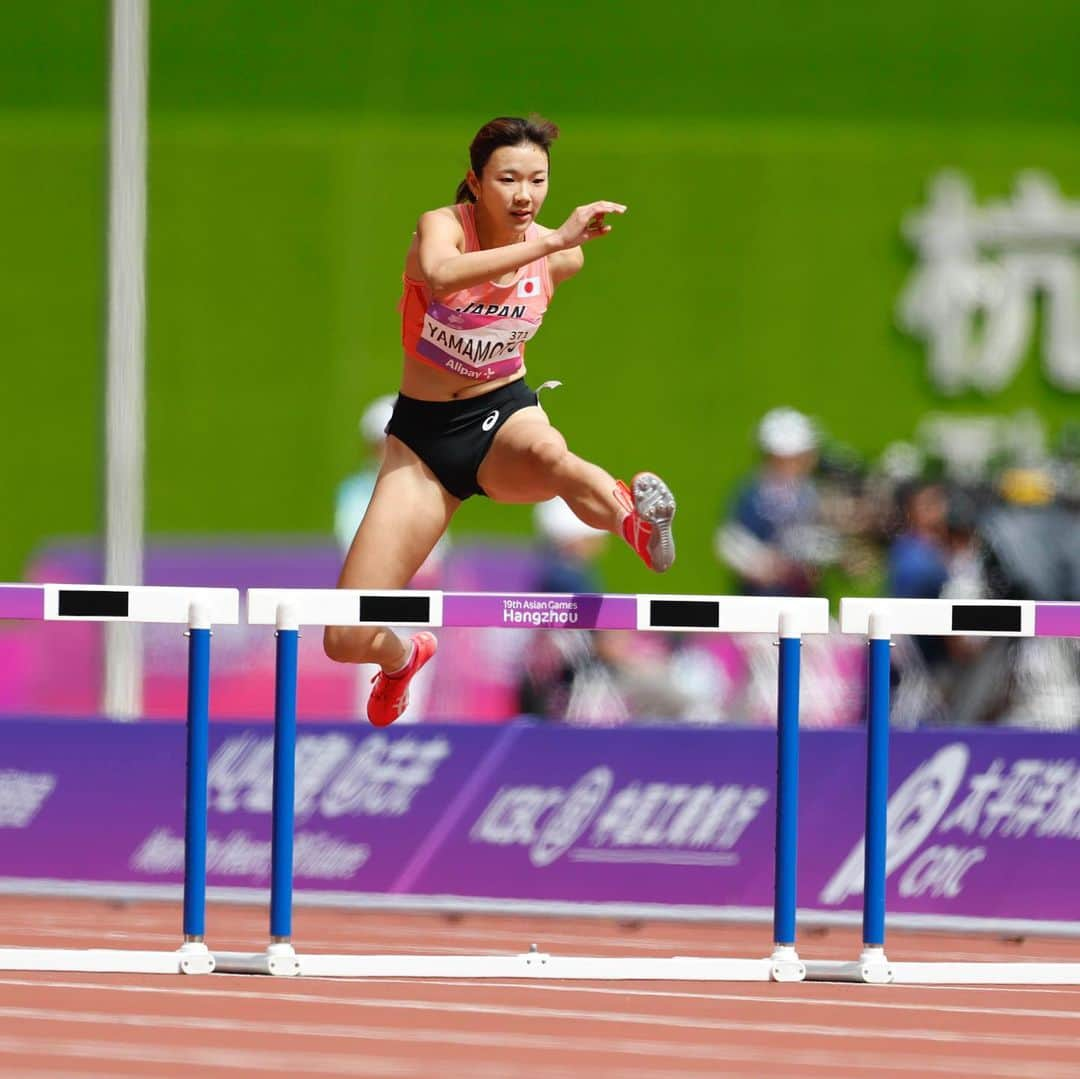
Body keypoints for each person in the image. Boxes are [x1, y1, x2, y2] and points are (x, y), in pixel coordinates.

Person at [323, 115, 677, 726]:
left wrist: (550, 247)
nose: (524, 194)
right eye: (508, 179)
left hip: (504, 412)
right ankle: (403, 657)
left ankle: (635, 524)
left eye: (537, 180)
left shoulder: (561, 262)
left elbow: (539, 275)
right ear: (475, 181)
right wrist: (549, 241)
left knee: (553, 459)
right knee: (344, 637)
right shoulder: (444, 228)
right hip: (423, 445)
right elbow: (438, 277)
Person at [715, 407, 827, 596]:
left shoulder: (813, 495)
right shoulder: (751, 495)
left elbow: (824, 540)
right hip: (758, 598)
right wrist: (761, 563)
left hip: (805, 599)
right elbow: (730, 540)